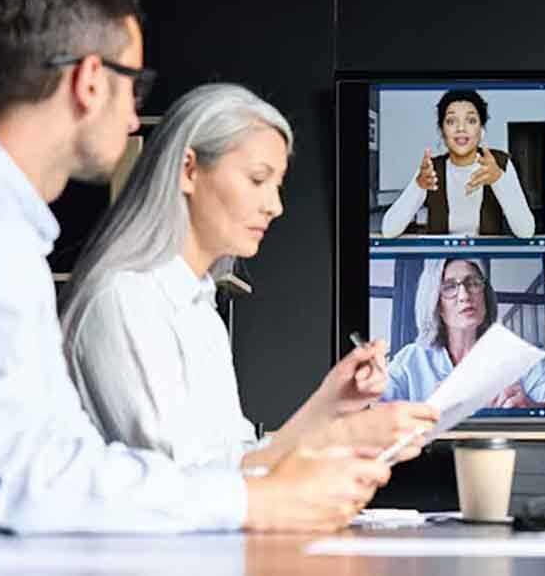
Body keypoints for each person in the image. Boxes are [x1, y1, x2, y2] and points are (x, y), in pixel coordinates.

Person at [0, 0, 392, 533]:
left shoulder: (13, 234)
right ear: (90, 80)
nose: (132, 120)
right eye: (135, 85)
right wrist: (261, 501)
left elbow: (65, 463)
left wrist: (323, 425)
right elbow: (31, 478)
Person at [61, 84, 438, 471]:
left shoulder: (199, 309)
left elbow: (241, 460)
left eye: (277, 186)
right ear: (188, 170)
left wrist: (332, 405)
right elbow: (185, 484)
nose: (275, 207)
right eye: (258, 180)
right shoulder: (125, 299)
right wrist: (340, 436)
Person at [382, 258, 545, 407]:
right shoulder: (410, 360)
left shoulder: (521, 357)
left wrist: (530, 408)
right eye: (449, 287)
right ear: (436, 305)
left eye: (473, 283)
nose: (464, 296)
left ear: (485, 297)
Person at [381, 89, 535, 238]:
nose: (461, 128)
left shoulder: (499, 163)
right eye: (451, 121)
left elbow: (526, 231)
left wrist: (498, 179)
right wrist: (418, 186)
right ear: (442, 131)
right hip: (442, 262)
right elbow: (388, 230)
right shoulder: (431, 169)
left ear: (481, 130)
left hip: (487, 262)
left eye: (471, 120)